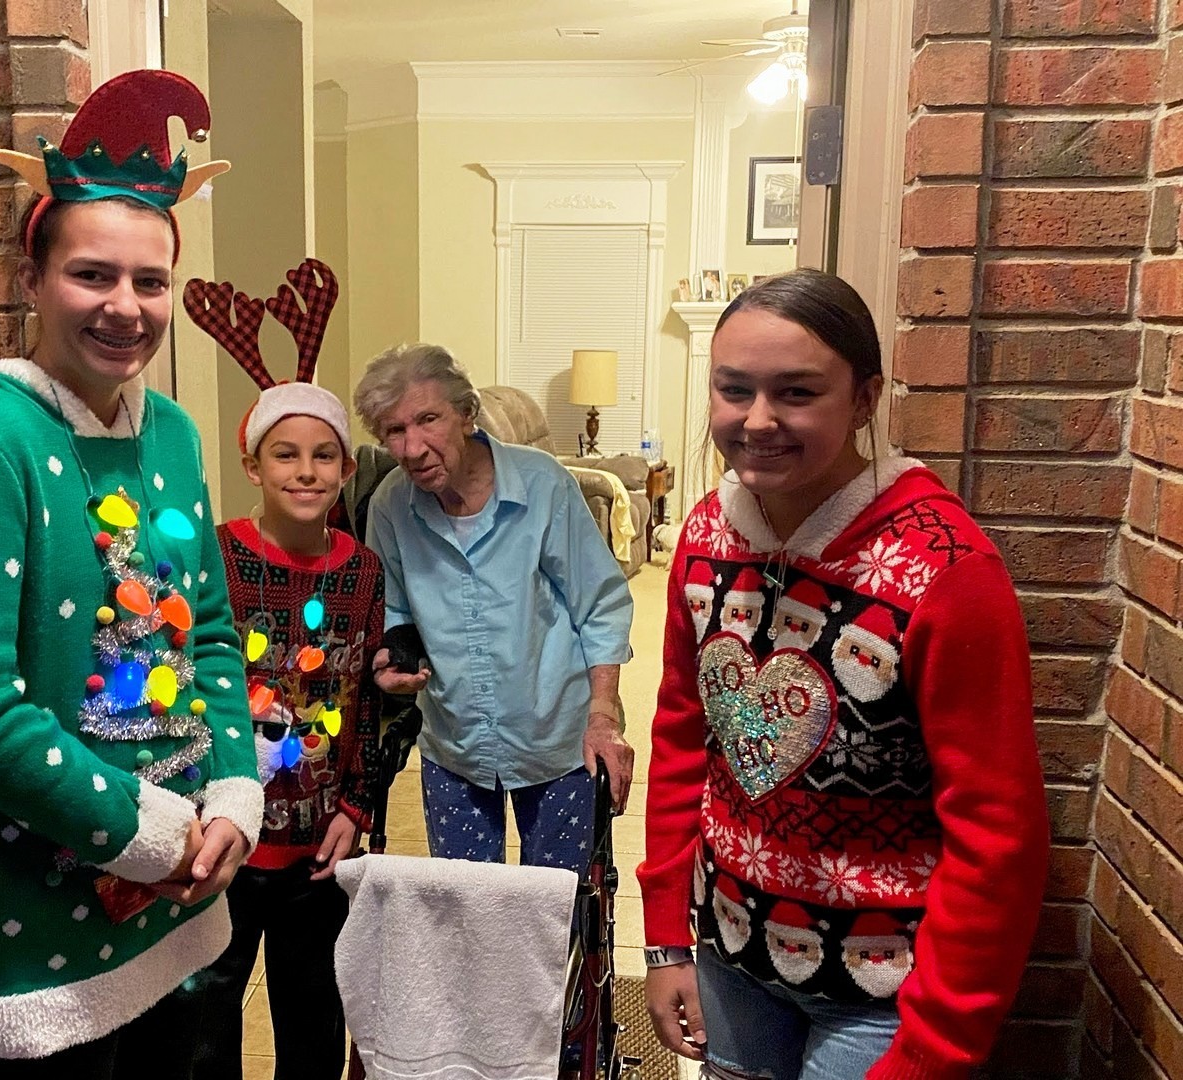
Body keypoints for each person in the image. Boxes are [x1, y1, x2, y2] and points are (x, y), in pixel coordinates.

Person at [0, 70, 260, 1075]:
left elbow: (209, 631)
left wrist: (234, 792)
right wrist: (146, 834)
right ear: (32, 280)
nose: (126, 308)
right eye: (92, 275)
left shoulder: (173, 433)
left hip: (181, 906)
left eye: (151, 281)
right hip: (33, 936)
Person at [638, 269, 1049, 1079]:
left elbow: (997, 833)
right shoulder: (706, 533)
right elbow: (684, 739)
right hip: (731, 956)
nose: (758, 420)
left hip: (883, 996)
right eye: (734, 390)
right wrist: (663, 940)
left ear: (864, 399)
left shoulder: (947, 570)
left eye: (796, 392)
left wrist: (936, 1046)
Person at [180, 259, 384, 1078]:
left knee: (312, 1019)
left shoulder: (363, 571)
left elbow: (367, 701)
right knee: (207, 1023)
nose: (306, 471)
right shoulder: (217, 555)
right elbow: (186, 682)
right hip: (221, 838)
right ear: (253, 466)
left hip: (318, 845)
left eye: (324, 456)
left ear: (346, 470)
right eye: (287, 455)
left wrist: (358, 805)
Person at [354, 344, 634, 877]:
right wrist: (393, 658)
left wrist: (603, 717)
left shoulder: (543, 484)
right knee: (466, 909)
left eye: (428, 419)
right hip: (454, 745)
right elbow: (391, 606)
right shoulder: (391, 504)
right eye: (394, 430)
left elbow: (600, 604)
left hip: (556, 738)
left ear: (466, 414)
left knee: (561, 906)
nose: (412, 448)